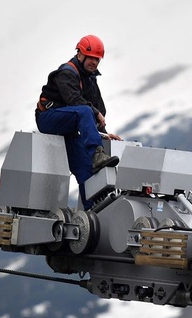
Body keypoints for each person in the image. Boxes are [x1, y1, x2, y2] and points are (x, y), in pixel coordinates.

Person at [35, 34, 123, 210]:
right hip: (48, 119)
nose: (95, 63)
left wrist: (104, 133)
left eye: (97, 60)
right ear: (80, 54)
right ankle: (97, 154)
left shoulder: (90, 79)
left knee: (85, 170)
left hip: (69, 127)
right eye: (91, 58)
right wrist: (95, 113)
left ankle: (93, 213)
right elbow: (74, 101)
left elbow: (96, 111)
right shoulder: (67, 73)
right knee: (84, 111)